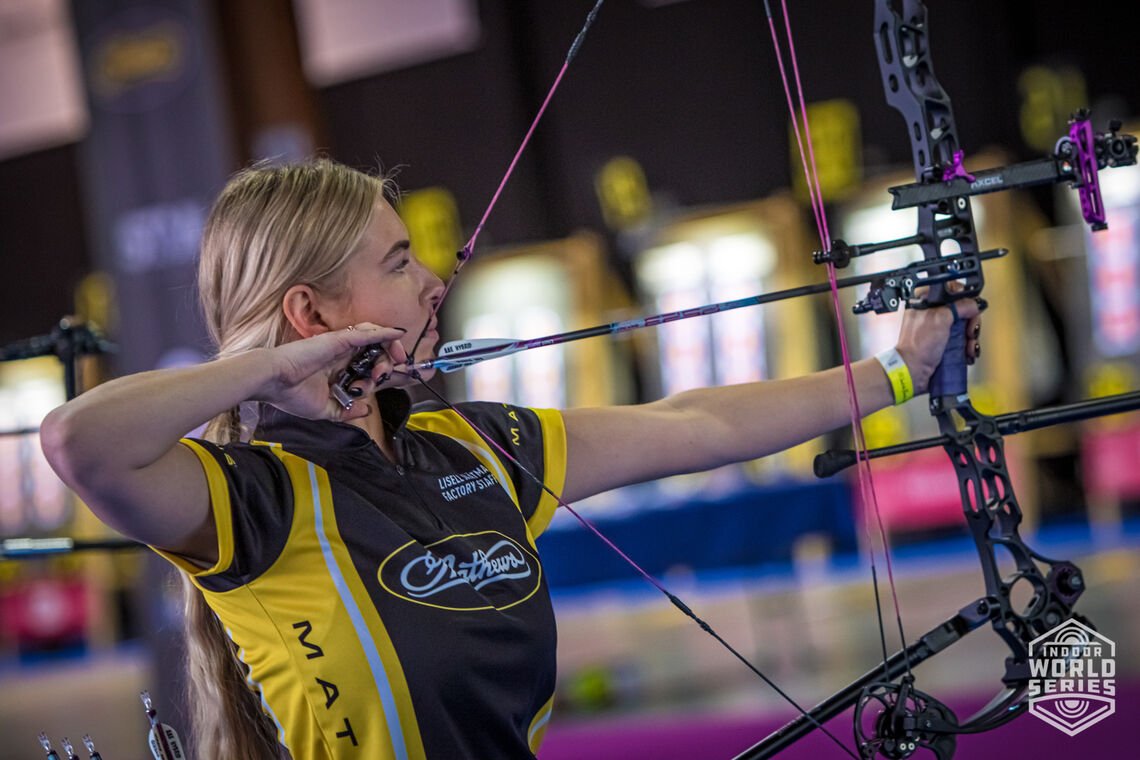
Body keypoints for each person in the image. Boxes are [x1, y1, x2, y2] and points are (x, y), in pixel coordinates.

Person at [40, 159, 981, 760]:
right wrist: (283, 365)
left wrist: (896, 370)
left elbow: (696, 423)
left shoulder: (474, 446)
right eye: (400, 261)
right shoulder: (252, 500)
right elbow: (77, 441)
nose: (431, 281)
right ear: (312, 310)